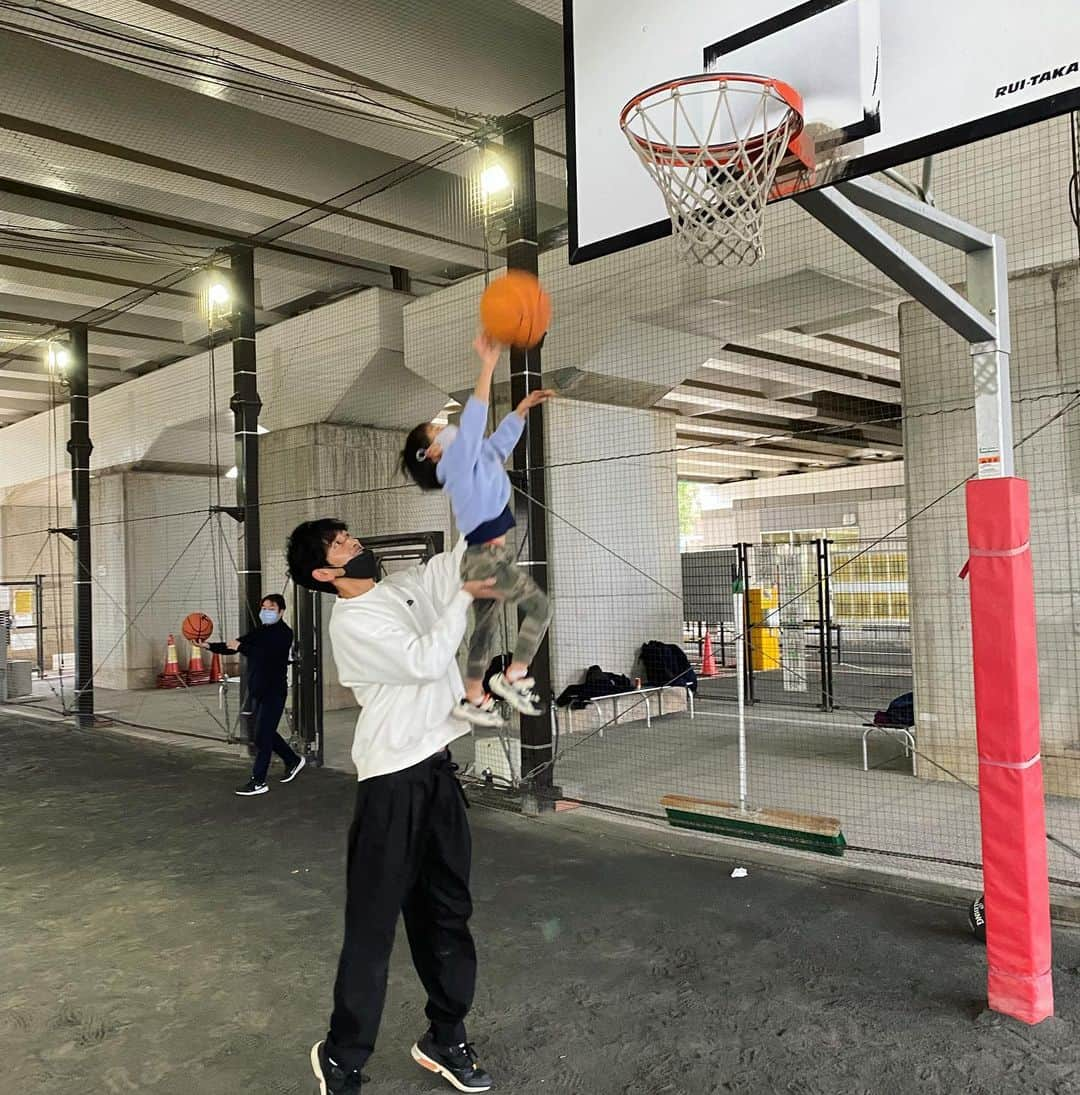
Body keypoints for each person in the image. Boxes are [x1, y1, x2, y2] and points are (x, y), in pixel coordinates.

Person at [286, 518, 502, 1094]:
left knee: (449, 913)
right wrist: (461, 595)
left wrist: (485, 489)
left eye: (350, 535)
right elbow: (426, 660)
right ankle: (342, 1056)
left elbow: (463, 558)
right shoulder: (352, 623)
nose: (356, 544)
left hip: (436, 773)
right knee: (373, 927)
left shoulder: (404, 586)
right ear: (325, 572)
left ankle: (445, 1036)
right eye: (340, 544)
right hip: (389, 783)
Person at [401, 332, 554, 728]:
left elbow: (497, 445)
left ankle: (472, 695)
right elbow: (472, 422)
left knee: (484, 629)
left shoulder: (472, 459)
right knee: (539, 606)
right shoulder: (451, 464)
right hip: (485, 555)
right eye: (436, 429)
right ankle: (514, 675)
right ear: (431, 453)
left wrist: (519, 411)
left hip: (482, 556)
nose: (444, 427)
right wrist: (487, 365)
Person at [203, 593, 304, 796]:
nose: (266, 612)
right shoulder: (261, 631)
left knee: (263, 737)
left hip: (274, 692)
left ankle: (259, 781)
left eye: (271, 609)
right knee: (262, 733)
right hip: (258, 690)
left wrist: (242, 647)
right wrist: (208, 646)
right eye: (264, 608)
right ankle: (293, 760)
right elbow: (234, 646)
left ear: (281, 611)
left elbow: (267, 656)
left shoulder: (284, 633)